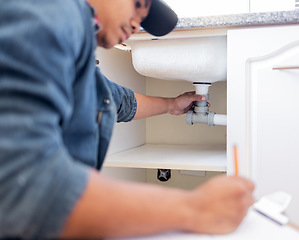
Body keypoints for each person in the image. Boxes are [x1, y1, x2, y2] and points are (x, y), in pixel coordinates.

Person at [0, 0, 255, 239]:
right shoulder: (51, 13)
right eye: (137, 5)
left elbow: (111, 99)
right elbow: (25, 187)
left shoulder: (67, 35)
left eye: (142, 20)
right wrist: (197, 208)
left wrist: (170, 105)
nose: (136, 24)